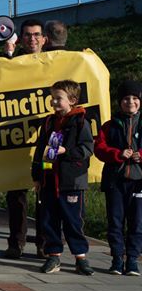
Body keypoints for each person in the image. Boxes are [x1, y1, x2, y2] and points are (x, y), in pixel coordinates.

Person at [32, 80, 95, 275]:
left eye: (59, 98)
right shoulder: (49, 122)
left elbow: (86, 149)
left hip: (72, 181)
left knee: (73, 220)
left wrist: (65, 151)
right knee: (49, 219)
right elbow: (40, 150)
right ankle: (53, 256)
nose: (54, 102)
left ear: (72, 100)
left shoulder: (81, 121)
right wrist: (37, 175)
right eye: (52, 98)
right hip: (49, 179)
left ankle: (80, 257)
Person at [3, 19, 47, 258]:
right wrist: (8, 54)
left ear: (44, 39)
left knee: (45, 196)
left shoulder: (55, 63)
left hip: (44, 140)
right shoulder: (13, 63)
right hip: (15, 139)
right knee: (16, 196)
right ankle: (16, 243)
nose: (32, 39)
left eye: (36, 35)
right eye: (28, 35)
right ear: (21, 38)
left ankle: (43, 243)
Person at [94, 80, 142, 276]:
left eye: (134, 98)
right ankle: (116, 259)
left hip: (138, 182)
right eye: (125, 98)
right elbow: (99, 149)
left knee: (137, 223)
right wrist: (117, 154)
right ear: (119, 102)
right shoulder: (109, 126)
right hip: (115, 182)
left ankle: (132, 260)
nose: (130, 102)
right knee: (115, 221)